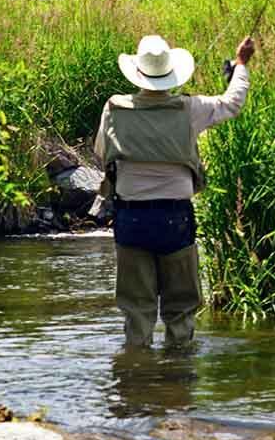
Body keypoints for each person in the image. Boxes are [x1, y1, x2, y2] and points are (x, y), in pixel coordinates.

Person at [92, 32, 255, 348]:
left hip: (131, 219)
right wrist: (241, 65)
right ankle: (177, 382)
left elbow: (102, 152)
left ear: (138, 73)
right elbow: (232, 103)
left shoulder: (113, 108)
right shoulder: (190, 109)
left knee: (136, 312)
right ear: (170, 73)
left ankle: (134, 380)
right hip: (175, 219)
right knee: (180, 311)